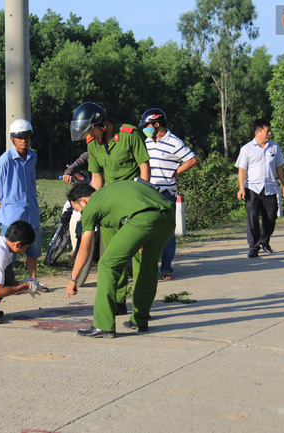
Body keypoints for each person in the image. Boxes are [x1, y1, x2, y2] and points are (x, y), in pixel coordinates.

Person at [70, 102, 151, 315]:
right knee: (113, 256)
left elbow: (144, 168)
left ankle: (142, 305)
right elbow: (96, 177)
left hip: (133, 202)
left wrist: (142, 203)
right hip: (110, 206)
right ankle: (118, 301)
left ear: (102, 124)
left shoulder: (129, 134)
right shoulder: (93, 144)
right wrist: (94, 207)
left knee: (138, 256)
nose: (89, 135)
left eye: (90, 130)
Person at [65, 181, 175, 338]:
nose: (81, 214)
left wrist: (73, 278)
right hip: (167, 217)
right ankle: (140, 320)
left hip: (142, 219)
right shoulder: (109, 193)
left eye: (78, 209)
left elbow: (85, 249)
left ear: (83, 200)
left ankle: (103, 325)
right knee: (148, 267)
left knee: (107, 264)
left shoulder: (91, 206)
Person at [139, 108, 198, 280]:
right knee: (145, 230)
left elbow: (192, 159)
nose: (145, 129)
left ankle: (166, 269)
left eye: (148, 125)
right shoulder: (147, 141)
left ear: (157, 124)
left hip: (166, 193)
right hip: (148, 191)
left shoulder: (174, 141)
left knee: (166, 233)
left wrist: (176, 172)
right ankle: (146, 266)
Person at [0, 119, 47, 291]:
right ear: (12, 138)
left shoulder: (33, 156)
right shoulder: (5, 160)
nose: (24, 140)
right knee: (8, 251)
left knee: (33, 248)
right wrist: (4, 197)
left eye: (27, 136)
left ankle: (33, 281)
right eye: (19, 137)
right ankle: (7, 283)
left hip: (31, 209)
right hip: (12, 213)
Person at [235, 118, 284, 258]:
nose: (269, 133)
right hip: (252, 189)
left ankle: (265, 241)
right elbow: (242, 170)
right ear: (257, 132)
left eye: (269, 131)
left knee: (271, 217)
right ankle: (254, 246)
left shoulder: (274, 147)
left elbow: (279, 167)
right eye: (267, 131)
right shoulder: (247, 149)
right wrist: (241, 188)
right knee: (252, 218)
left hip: (270, 188)